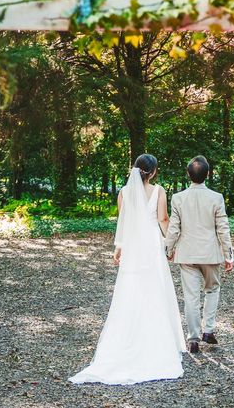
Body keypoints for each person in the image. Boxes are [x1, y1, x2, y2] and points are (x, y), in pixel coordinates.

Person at [69, 154, 186, 385]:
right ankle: (157, 341)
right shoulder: (159, 191)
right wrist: (171, 242)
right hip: (151, 245)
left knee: (131, 290)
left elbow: (123, 221)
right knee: (154, 289)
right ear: (152, 172)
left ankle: (128, 338)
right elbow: (163, 219)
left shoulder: (124, 193)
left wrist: (119, 247)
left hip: (133, 246)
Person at [164, 156, 234, 354]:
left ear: (188, 174)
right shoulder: (216, 197)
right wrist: (228, 255)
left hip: (187, 254)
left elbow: (174, 228)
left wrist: (168, 250)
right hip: (211, 254)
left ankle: (193, 339)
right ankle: (208, 330)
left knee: (191, 297)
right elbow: (223, 228)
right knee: (212, 290)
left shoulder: (178, 198)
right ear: (208, 174)